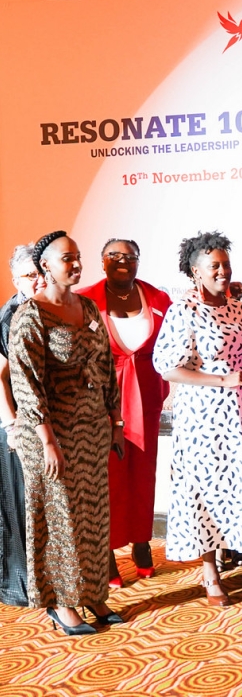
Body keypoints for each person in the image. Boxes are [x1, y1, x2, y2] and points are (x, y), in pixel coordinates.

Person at [9, 231, 123, 634]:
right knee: (60, 519)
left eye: (77, 257)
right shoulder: (31, 316)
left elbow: (106, 365)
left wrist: (115, 421)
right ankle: (60, 602)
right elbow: (26, 384)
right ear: (45, 266)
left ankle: (92, 594)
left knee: (93, 516)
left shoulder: (87, 306)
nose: (75, 264)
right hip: (50, 435)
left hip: (91, 430)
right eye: (66, 259)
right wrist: (48, 442)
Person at [153, 232, 242, 608]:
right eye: (214, 266)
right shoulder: (183, 309)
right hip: (202, 416)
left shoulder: (235, 305)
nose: (222, 271)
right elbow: (168, 367)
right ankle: (209, 571)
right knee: (204, 489)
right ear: (195, 271)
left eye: (226, 264)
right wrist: (220, 380)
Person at [77, 240, 172, 586]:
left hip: (146, 393)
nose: (122, 261)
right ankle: (107, 551)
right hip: (102, 394)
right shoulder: (85, 300)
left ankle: (142, 542)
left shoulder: (158, 298)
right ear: (102, 262)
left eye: (130, 256)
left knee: (143, 472)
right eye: (114, 256)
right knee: (108, 475)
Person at [0, 244, 43, 607]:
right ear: (16, 280)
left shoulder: (47, 309)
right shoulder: (10, 316)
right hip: (17, 426)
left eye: (41, 272)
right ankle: (24, 585)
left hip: (46, 422)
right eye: (30, 276)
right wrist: (12, 426)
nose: (38, 280)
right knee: (22, 506)